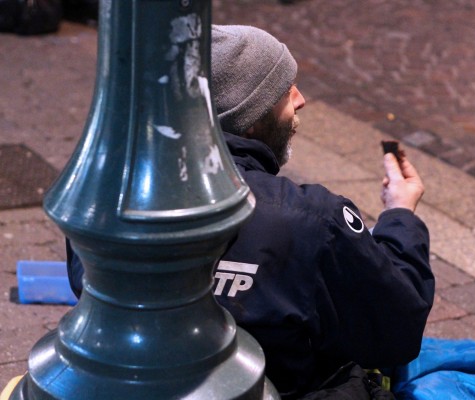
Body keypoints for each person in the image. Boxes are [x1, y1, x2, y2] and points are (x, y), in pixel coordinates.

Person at [67, 25, 435, 399]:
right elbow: (397, 328)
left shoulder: (105, 194)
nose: (301, 99)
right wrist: (401, 216)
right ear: (251, 116)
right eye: (284, 90)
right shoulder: (309, 219)